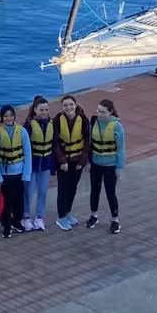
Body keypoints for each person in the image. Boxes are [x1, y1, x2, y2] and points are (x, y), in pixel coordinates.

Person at [0, 105, 31, 239]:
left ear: (14, 116)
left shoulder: (22, 131)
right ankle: (6, 225)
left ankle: (16, 221)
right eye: (6, 116)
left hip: (19, 173)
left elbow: (27, 153)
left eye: (11, 115)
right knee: (6, 202)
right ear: (2, 118)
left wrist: (26, 174)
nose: (9, 118)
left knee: (19, 200)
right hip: (5, 174)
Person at [53, 94, 91, 231]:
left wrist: (84, 159)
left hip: (77, 161)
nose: (68, 107)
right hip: (63, 162)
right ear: (62, 107)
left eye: (71, 104)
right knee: (63, 189)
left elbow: (87, 141)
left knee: (73, 188)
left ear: (75, 105)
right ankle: (61, 217)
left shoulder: (84, 120)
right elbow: (55, 143)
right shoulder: (57, 120)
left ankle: (67, 212)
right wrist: (62, 160)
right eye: (65, 105)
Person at [87, 99, 125, 234]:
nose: (100, 114)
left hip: (110, 165)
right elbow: (90, 144)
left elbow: (120, 149)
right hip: (96, 164)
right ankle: (94, 215)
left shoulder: (116, 126)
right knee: (94, 190)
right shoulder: (94, 122)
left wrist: (119, 168)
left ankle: (115, 220)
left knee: (110, 192)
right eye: (99, 111)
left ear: (110, 112)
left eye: (103, 112)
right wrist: (89, 163)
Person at [23, 97, 54, 231]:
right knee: (29, 193)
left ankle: (40, 217)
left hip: (45, 164)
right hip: (32, 165)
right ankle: (26, 217)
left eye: (46, 109)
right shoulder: (29, 125)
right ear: (35, 110)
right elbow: (24, 145)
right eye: (41, 110)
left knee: (42, 192)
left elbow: (54, 144)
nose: (44, 112)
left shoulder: (51, 124)